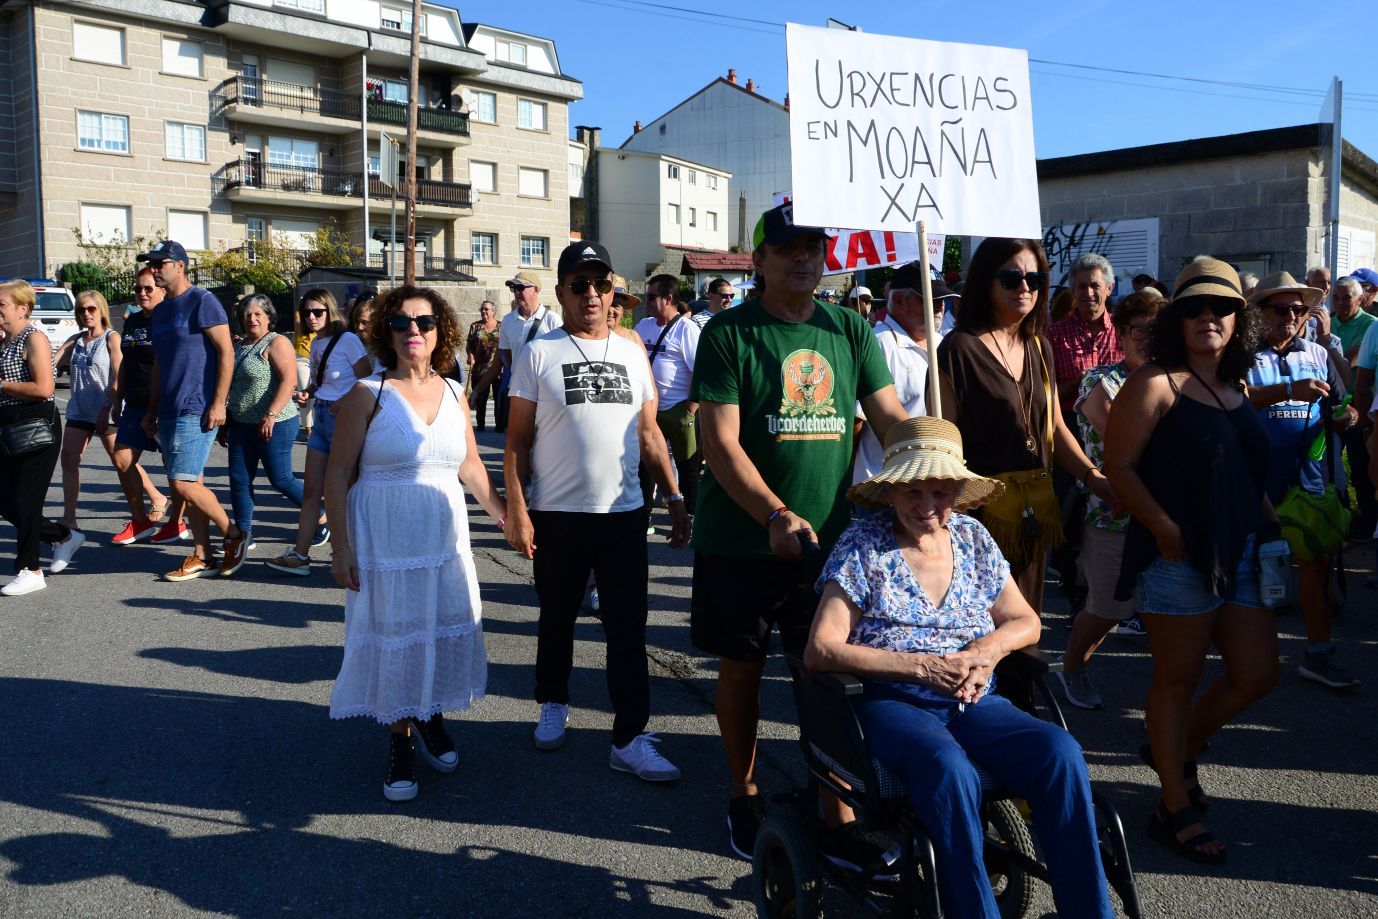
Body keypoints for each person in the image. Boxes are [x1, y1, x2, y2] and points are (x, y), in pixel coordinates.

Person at [808, 416, 1113, 919]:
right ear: (890, 491)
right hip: (891, 700)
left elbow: (1025, 621)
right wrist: (918, 668)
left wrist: (986, 652)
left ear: (957, 491)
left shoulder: (972, 537)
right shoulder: (862, 544)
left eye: (940, 491)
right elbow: (822, 648)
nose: (927, 506)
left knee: (1060, 752)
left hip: (974, 696)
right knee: (949, 770)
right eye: (913, 491)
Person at [690, 203, 907, 862]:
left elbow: (890, 416)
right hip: (743, 538)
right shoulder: (729, 332)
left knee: (827, 675)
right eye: (787, 248)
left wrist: (934, 465)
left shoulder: (850, 328)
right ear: (758, 260)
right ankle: (744, 789)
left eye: (813, 245)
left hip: (831, 542)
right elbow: (720, 443)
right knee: (741, 668)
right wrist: (775, 514)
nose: (803, 258)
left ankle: (837, 815)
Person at [1103, 258, 1277, 865]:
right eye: (1197, 307)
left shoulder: (1238, 386)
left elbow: (1240, 463)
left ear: (1239, 320)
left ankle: (1175, 752)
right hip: (1176, 557)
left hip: (1243, 550)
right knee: (1177, 680)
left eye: (1223, 307)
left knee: (1257, 674)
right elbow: (1118, 466)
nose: (1210, 316)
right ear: (1177, 318)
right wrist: (1164, 526)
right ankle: (1171, 806)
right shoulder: (1155, 383)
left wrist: (1265, 514)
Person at [505, 241, 690, 782]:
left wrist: (675, 497)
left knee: (628, 627)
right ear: (561, 292)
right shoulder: (541, 353)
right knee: (557, 616)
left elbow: (650, 433)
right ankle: (552, 700)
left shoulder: (634, 354)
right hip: (557, 513)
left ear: (613, 292)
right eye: (579, 285)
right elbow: (516, 441)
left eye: (601, 285)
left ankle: (629, 736)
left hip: (625, 513)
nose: (591, 294)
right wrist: (516, 508)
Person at [324, 285, 505, 802]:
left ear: (440, 330)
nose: (413, 332)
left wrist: (507, 517)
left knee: (436, 628)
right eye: (401, 324)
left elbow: (469, 463)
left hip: (442, 539)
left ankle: (429, 716)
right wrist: (341, 548)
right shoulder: (367, 394)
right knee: (398, 634)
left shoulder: (453, 391)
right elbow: (337, 477)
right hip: (385, 541)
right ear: (387, 333)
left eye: (423, 322)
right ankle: (400, 740)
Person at [937, 238, 1116, 615]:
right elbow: (943, 444)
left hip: (1034, 512)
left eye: (1034, 279)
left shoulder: (1039, 345)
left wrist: (1092, 476)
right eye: (1011, 278)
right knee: (985, 633)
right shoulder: (957, 349)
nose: (1024, 288)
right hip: (979, 519)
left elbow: (1054, 426)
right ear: (986, 281)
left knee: (1026, 629)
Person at [1245, 272, 1360, 690]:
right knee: (1252, 573)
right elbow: (1231, 399)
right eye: (1281, 309)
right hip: (1255, 485)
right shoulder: (1237, 354)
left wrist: (1346, 418)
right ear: (1258, 313)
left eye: (1299, 310)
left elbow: (1346, 406)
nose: (1291, 317)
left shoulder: (1317, 351)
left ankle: (1317, 654)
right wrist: (1287, 390)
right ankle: (1249, 659)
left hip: (1309, 481)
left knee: (1315, 569)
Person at [1057, 291, 1165, 710]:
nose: (1148, 339)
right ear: (1121, 334)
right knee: (1108, 609)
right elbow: (1125, 440)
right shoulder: (1100, 381)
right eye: (1140, 330)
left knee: (1166, 610)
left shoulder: (1174, 379)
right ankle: (1073, 667)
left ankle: (1168, 699)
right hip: (1113, 513)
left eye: (1157, 331)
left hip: (1160, 515)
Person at [137, 240, 247, 581]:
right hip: (168, 409)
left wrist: (219, 402)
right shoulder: (162, 310)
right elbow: (159, 365)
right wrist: (152, 408)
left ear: (180, 266)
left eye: (160, 263)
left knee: (182, 484)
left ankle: (235, 533)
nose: (154, 269)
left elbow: (226, 352)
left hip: (196, 406)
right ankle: (203, 554)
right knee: (188, 481)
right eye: (151, 264)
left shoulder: (203, 301)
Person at [265, 290, 367, 575]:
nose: (311, 317)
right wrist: (308, 392)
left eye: (318, 312)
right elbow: (323, 379)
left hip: (342, 419)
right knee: (312, 490)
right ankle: (300, 555)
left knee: (346, 490)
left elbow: (368, 379)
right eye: (306, 312)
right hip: (321, 416)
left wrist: (342, 404)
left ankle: (357, 554)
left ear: (330, 311)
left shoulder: (347, 340)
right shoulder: (317, 342)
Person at [0, 281, 81, 594]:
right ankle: (62, 536)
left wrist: (3, 385)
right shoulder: (5, 341)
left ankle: (30, 569)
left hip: (35, 425)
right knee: (6, 499)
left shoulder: (33, 338)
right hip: (7, 425)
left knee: (26, 498)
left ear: (22, 308)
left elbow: (45, 388)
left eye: (2, 304)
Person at [852, 262, 946, 485]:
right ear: (898, 301)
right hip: (882, 485)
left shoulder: (944, 344)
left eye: (941, 299)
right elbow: (857, 423)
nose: (939, 306)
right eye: (929, 300)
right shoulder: (879, 344)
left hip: (933, 484)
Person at [53, 291, 134, 547]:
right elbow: (49, 363)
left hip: (106, 409)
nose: (86, 314)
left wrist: (109, 406)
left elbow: (119, 376)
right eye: (81, 310)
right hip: (79, 409)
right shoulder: (75, 340)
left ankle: (155, 499)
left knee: (121, 461)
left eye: (91, 309)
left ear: (101, 311)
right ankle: (69, 519)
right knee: (69, 459)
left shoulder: (112, 338)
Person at [224, 295, 303, 549]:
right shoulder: (238, 346)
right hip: (240, 424)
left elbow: (289, 381)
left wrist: (270, 415)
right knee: (239, 479)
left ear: (269, 317)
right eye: (247, 314)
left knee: (280, 478)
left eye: (258, 313)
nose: (252, 318)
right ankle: (243, 535)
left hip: (275, 423)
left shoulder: (277, 343)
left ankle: (321, 514)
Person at [110, 267, 183, 545]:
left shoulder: (171, 320)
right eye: (138, 288)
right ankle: (140, 522)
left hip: (166, 405)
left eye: (148, 288)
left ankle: (176, 523)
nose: (141, 293)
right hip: (136, 404)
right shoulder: (132, 322)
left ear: (162, 290)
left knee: (174, 467)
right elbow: (127, 363)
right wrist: (117, 398)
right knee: (122, 458)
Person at [634, 273, 704, 516]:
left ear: (668, 298)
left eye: (652, 297)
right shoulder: (643, 326)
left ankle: (691, 515)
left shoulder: (687, 329)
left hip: (679, 409)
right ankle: (643, 517)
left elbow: (701, 371)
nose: (648, 301)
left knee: (688, 467)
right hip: (649, 409)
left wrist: (691, 409)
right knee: (644, 466)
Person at [495, 271, 560, 434]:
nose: (516, 292)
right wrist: (518, 370)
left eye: (521, 287)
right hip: (519, 390)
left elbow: (562, 355)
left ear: (536, 290)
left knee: (545, 439)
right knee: (519, 439)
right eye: (513, 288)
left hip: (546, 392)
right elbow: (504, 352)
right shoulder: (508, 320)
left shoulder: (552, 319)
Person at [465, 299, 501, 431]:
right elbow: (469, 345)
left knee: (498, 398)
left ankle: (500, 426)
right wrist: (470, 355)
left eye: (486, 309)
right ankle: (480, 426)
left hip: (498, 369)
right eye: (482, 309)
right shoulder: (475, 327)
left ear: (493, 311)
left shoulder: (502, 326)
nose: (483, 312)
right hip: (480, 368)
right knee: (480, 398)